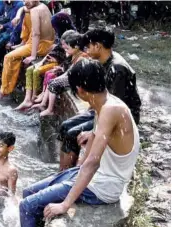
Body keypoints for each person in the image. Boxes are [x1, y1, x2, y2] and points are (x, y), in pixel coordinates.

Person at [19, 59, 140, 227]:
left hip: (104, 185)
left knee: (27, 206)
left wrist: (65, 204)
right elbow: (94, 138)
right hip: (96, 177)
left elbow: (92, 162)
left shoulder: (110, 109)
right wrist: (75, 169)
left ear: (81, 90)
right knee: (28, 192)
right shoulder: (105, 103)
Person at [57, 29, 141, 170]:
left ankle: (69, 173)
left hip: (122, 118)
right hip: (103, 111)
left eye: (88, 47)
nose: (86, 51)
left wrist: (93, 132)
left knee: (73, 134)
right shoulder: (103, 62)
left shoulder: (117, 69)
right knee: (65, 126)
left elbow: (115, 109)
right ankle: (63, 171)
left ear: (98, 46)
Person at [0, 0, 55, 100]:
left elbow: (36, 34)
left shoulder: (35, 10)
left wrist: (33, 55)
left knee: (9, 57)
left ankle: (4, 90)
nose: (25, 2)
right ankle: (23, 43)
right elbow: (23, 8)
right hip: (46, 42)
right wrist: (17, 16)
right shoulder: (42, 6)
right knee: (26, 13)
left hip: (41, 45)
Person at [31, 30, 88, 116]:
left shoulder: (81, 57)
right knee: (52, 81)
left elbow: (70, 72)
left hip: (77, 81)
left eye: (67, 49)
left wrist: (58, 77)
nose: (66, 51)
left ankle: (50, 109)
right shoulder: (75, 54)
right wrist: (60, 68)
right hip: (73, 77)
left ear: (76, 47)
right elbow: (68, 69)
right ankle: (43, 103)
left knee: (53, 84)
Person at [14, 44, 65, 111]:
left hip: (56, 63)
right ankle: (27, 99)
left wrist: (56, 61)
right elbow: (49, 53)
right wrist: (42, 61)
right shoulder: (58, 45)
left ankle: (33, 98)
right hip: (48, 61)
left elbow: (64, 61)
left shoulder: (68, 48)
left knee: (36, 72)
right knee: (29, 70)